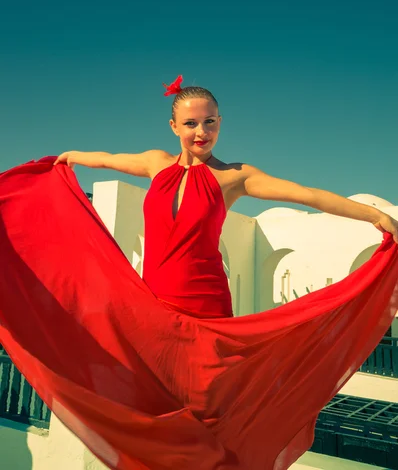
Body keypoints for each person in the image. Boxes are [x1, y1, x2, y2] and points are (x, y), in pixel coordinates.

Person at [1, 76, 397, 470]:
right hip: (152, 306)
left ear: (220, 123)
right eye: (191, 124)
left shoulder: (234, 176)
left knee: (208, 408)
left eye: (210, 122)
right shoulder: (156, 164)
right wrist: (69, 156)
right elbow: (105, 158)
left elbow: (308, 195)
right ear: (174, 127)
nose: (201, 132)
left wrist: (374, 215)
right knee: (153, 403)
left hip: (205, 306)